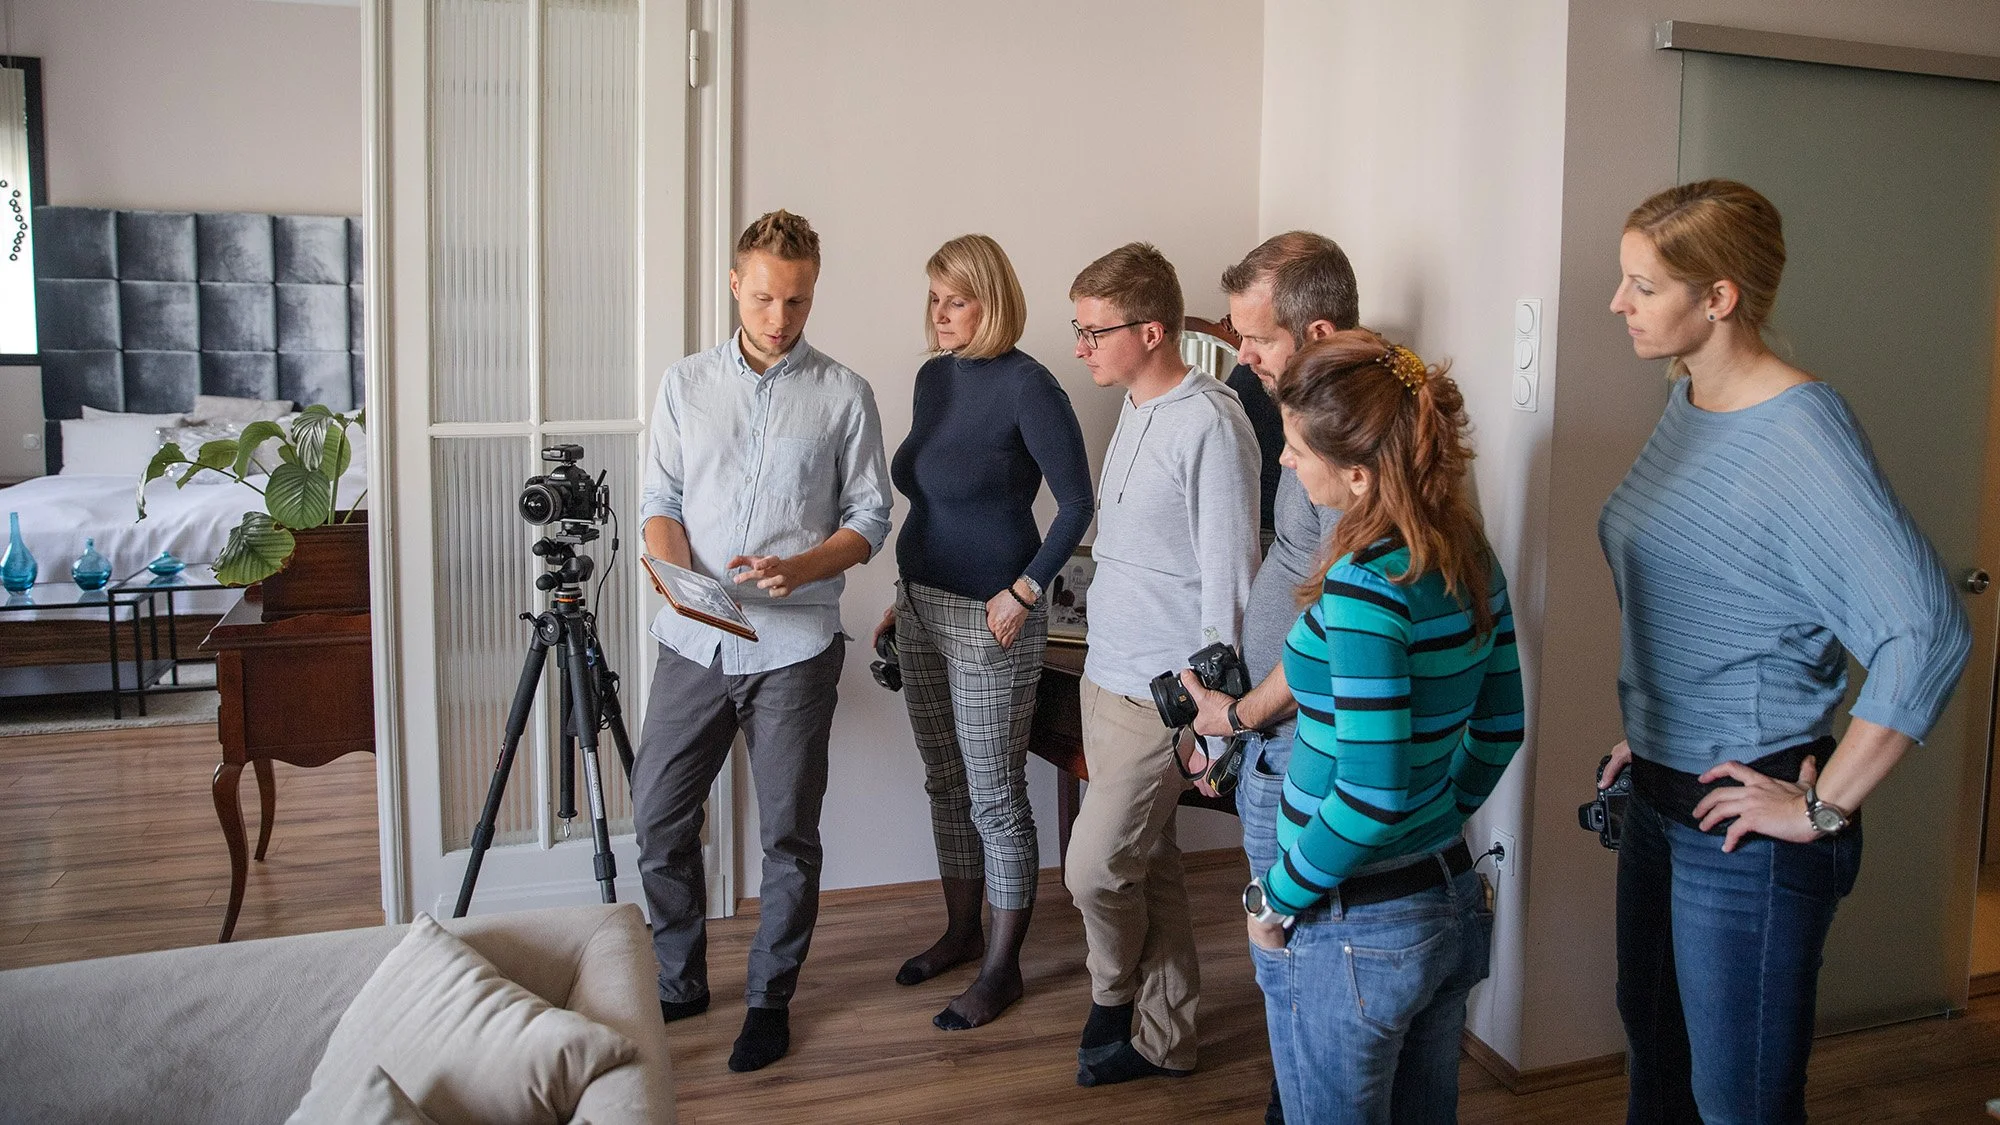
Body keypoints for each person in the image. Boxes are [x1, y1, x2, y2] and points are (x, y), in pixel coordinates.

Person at [1598, 179, 1970, 1123]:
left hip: (1746, 828)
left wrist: (1821, 806)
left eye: (1643, 285)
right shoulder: (1689, 400)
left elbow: (1926, 630)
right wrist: (1650, 725)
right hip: (1659, 794)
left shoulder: (1802, 431)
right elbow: (1718, 591)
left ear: (1717, 297)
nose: (1619, 303)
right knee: (1658, 1070)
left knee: (1742, 1105)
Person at [633, 209, 893, 1073]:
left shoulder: (845, 394)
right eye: (765, 296)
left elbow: (869, 515)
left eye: (799, 299)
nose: (781, 316)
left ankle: (770, 999)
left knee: (789, 834)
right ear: (735, 285)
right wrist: (676, 577)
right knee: (658, 817)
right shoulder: (682, 384)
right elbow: (660, 502)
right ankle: (679, 980)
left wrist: (809, 563)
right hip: (692, 642)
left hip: (795, 646)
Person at [1246, 330, 1524, 1123]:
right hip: (1443, 897)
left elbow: (1368, 790)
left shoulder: (1365, 586)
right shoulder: (1467, 549)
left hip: (1355, 925)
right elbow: (1501, 725)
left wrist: (1277, 898)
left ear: (1360, 473)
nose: (1287, 462)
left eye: (1298, 449)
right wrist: (1434, 817)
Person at [872, 234, 1094, 1030]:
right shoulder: (934, 379)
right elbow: (930, 496)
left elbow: (1075, 504)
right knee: (946, 781)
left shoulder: (1030, 386)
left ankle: (1004, 970)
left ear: (990, 300)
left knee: (996, 796)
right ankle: (963, 932)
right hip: (922, 605)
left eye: (955, 300)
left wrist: (1027, 590)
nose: (940, 314)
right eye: (934, 298)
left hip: (994, 616)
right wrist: (906, 596)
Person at [1062, 242, 1260, 1086]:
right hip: (1103, 675)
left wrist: (1217, 723)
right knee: (1156, 869)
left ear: (1150, 329)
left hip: (1165, 693)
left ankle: (1110, 997)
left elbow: (1232, 580)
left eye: (1093, 331)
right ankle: (1165, 1037)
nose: (1081, 347)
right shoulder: (1135, 406)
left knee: (1096, 867)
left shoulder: (1210, 422)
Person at [1174, 231, 1359, 1124]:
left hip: (1295, 739)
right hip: (1269, 730)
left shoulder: (1356, 450)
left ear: (1317, 330)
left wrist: (1238, 717)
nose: (1241, 359)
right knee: (1283, 954)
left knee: (1294, 952)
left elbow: (1334, 627)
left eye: (1257, 341)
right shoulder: (1301, 422)